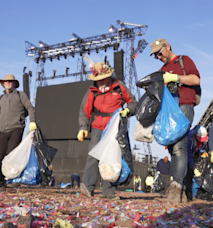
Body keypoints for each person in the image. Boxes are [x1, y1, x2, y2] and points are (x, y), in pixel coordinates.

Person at [78, 60, 137, 200]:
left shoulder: (119, 87)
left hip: (115, 128)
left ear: (108, 76)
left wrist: (127, 110)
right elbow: (84, 111)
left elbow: (133, 102)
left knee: (111, 159)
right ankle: (87, 188)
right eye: (97, 80)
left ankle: (108, 191)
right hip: (98, 127)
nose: (100, 82)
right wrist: (82, 128)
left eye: (102, 79)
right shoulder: (92, 91)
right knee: (93, 156)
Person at [150, 38, 200, 203]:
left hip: (184, 106)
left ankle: (176, 186)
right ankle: (183, 191)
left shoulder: (183, 60)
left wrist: (175, 77)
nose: (158, 56)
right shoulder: (161, 70)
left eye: (160, 53)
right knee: (174, 150)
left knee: (179, 148)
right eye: (155, 55)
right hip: (169, 112)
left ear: (168, 47)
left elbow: (195, 80)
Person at [0, 74, 36, 188]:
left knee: (12, 154)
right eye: (6, 81)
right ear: (3, 84)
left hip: (17, 128)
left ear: (14, 83)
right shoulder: (0, 98)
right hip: (3, 130)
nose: (8, 83)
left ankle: (14, 180)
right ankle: (0, 182)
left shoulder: (20, 95)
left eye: (10, 81)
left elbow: (30, 107)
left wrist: (32, 121)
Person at [185, 125, 208, 201]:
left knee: (191, 177)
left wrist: (204, 152)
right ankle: (187, 194)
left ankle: (190, 194)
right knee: (188, 175)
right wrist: (193, 167)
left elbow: (203, 146)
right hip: (187, 156)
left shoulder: (202, 140)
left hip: (195, 154)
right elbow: (188, 155)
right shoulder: (189, 138)